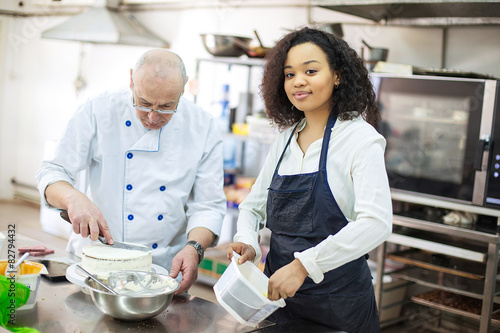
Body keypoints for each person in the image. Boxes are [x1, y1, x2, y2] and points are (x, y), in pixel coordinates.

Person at [226, 27, 392, 332]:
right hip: (278, 299)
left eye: (311, 71)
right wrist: (248, 241)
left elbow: (376, 222)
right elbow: (252, 207)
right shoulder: (286, 140)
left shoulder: (359, 139)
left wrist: (305, 265)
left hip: (339, 305)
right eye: (289, 74)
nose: (298, 81)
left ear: (338, 76)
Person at [36, 49, 226, 294]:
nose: (152, 116)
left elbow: (208, 205)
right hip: (96, 263)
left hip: (163, 271)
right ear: (131, 81)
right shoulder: (98, 111)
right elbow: (52, 171)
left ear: (183, 89)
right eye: (144, 103)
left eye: (167, 107)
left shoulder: (204, 126)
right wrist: (72, 198)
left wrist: (194, 248)